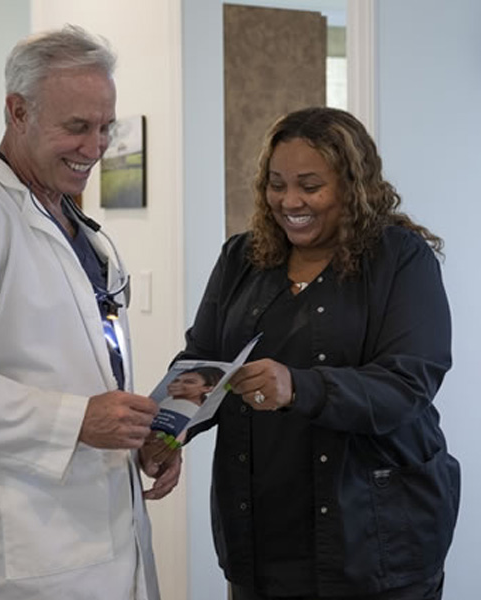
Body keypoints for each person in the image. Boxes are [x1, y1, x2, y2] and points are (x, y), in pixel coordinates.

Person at [0, 25, 180, 600]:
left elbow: (88, 364)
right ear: (17, 112)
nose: (95, 148)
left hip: (98, 521)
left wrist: (137, 435)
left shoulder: (76, 225)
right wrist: (74, 422)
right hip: (20, 536)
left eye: (104, 128)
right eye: (76, 127)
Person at [173, 107, 460, 599]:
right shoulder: (242, 258)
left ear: (353, 185)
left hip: (376, 540)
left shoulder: (401, 260)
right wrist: (168, 428)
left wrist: (298, 385)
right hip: (261, 538)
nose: (290, 201)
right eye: (277, 184)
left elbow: (408, 384)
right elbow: (203, 359)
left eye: (310, 185)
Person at [151, 366, 225, 439]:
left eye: (189, 382)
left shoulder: (195, 412)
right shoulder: (165, 402)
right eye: (175, 380)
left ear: (207, 388)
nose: (176, 385)